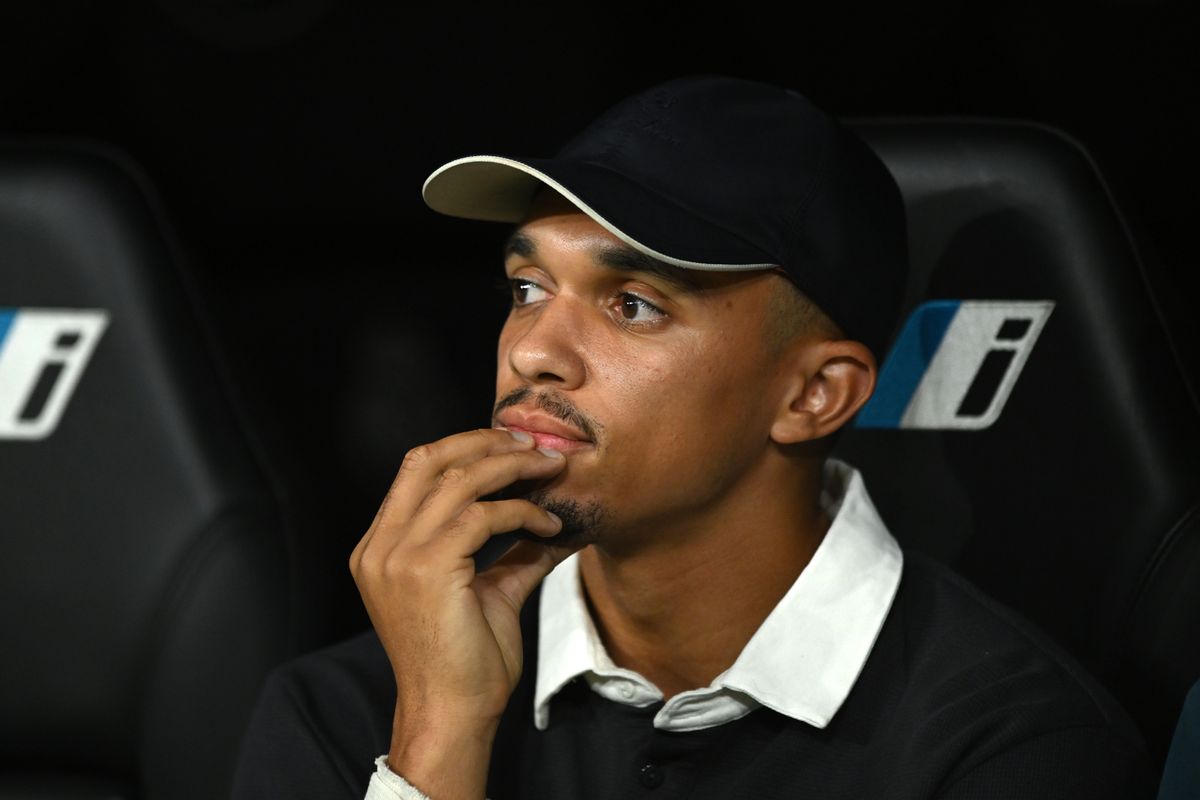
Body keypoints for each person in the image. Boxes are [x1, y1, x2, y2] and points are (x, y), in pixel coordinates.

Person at [231, 75, 1156, 799]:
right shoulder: (351, 710)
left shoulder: (1016, 749)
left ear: (815, 395)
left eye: (632, 305)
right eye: (526, 288)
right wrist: (439, 735)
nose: (534, 354)